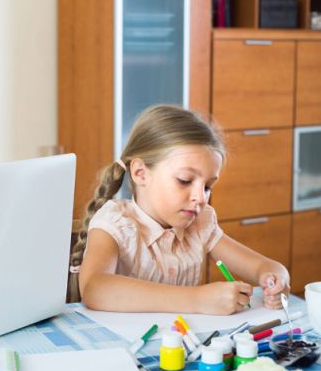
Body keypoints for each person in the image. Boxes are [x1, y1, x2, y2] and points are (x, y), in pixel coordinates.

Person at [69, 104, 289, 315]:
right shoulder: (116, 222)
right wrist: (196, 299)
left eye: (208, 186)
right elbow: (95, 289)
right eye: (185, 180)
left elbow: (263, 265)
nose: (200, 197)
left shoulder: (201, 223)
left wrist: (275, 277)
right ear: (141, 173)